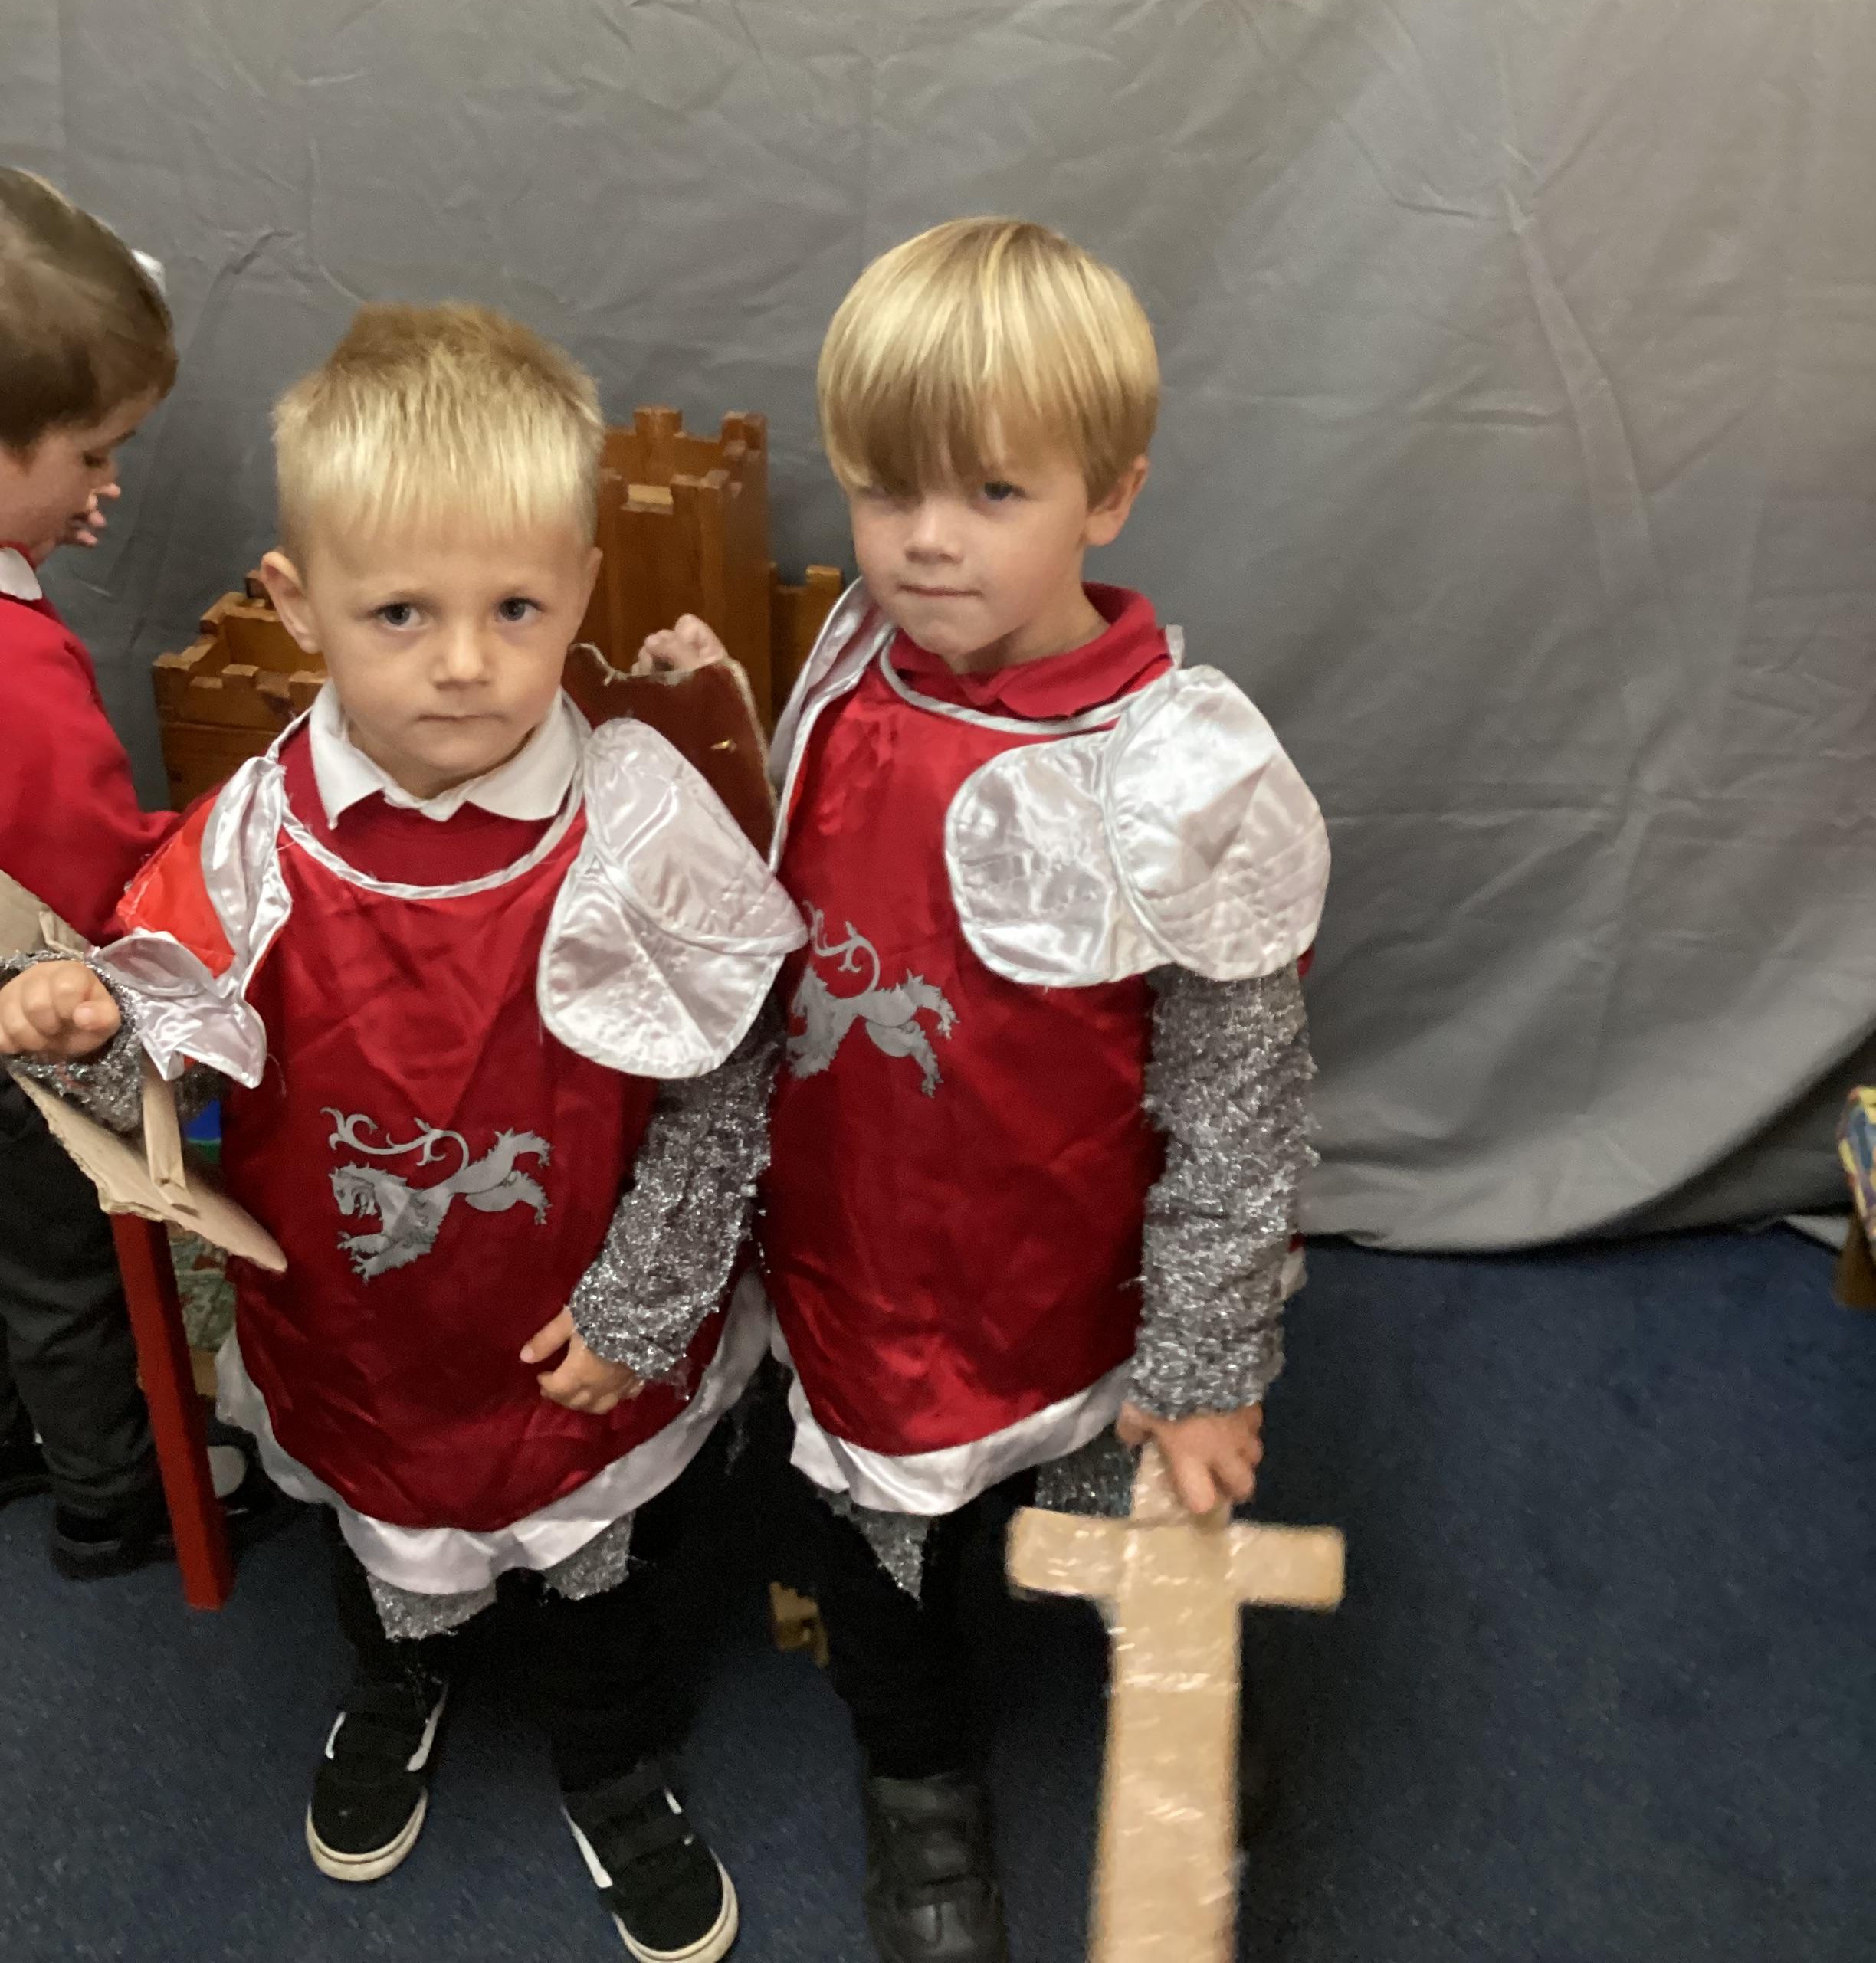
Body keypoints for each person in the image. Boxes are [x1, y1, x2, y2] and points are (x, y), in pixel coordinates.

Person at [0, 303, 804, 1963]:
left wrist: (649, 1301)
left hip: (574, 1328)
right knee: (382, 1555)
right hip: (359, 1330)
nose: (463, 664)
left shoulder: (637, 818)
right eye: (399, 613)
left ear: (581, 584)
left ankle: (611, 1760)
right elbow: (162, 1064)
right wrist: (92, 1030)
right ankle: (397, 1687)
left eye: (516, 608)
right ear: (300, 605)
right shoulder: (254, 834)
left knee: (601, 1578)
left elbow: (728, 1081)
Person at [644, 218, 1330, 1963]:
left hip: (1078, 1280)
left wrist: (1203, 1368)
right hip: (870, 1259)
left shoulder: (1175, 767)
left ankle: (1188, 1681)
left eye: (993, 493)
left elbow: (1240, 1101)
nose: (925, 540)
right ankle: (919, 1778)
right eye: (886, 490)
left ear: (1110, 495)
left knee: (1134, 1520)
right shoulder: (853, 657)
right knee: (883, 1566)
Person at [0, 169, 276, 1578]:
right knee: (65, 1258)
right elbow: (89, 879)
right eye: (93, 453)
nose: (109, 486)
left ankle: (30, 1433)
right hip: (22, 1016)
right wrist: (218, 840)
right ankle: (110, 1496)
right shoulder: (15, 671)